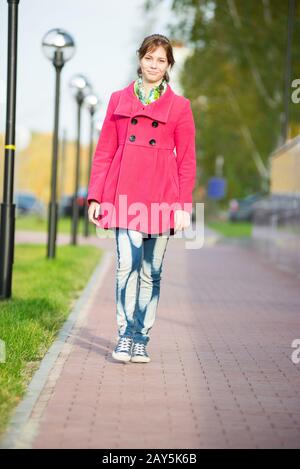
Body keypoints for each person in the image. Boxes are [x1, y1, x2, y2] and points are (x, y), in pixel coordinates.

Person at [87, 33, 196, 364]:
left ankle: (140, 338)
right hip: (124, 195)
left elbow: (186, 159)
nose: (154, 64)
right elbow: (104, 151)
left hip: (162, 199)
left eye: (161, 60)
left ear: (168, 66)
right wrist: (95, 197)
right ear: (140, 59)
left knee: (151, 271)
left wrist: (182, 206)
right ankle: (124, 336)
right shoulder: (119, 100)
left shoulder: (180, 107)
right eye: (149, 58)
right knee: (126, 266)